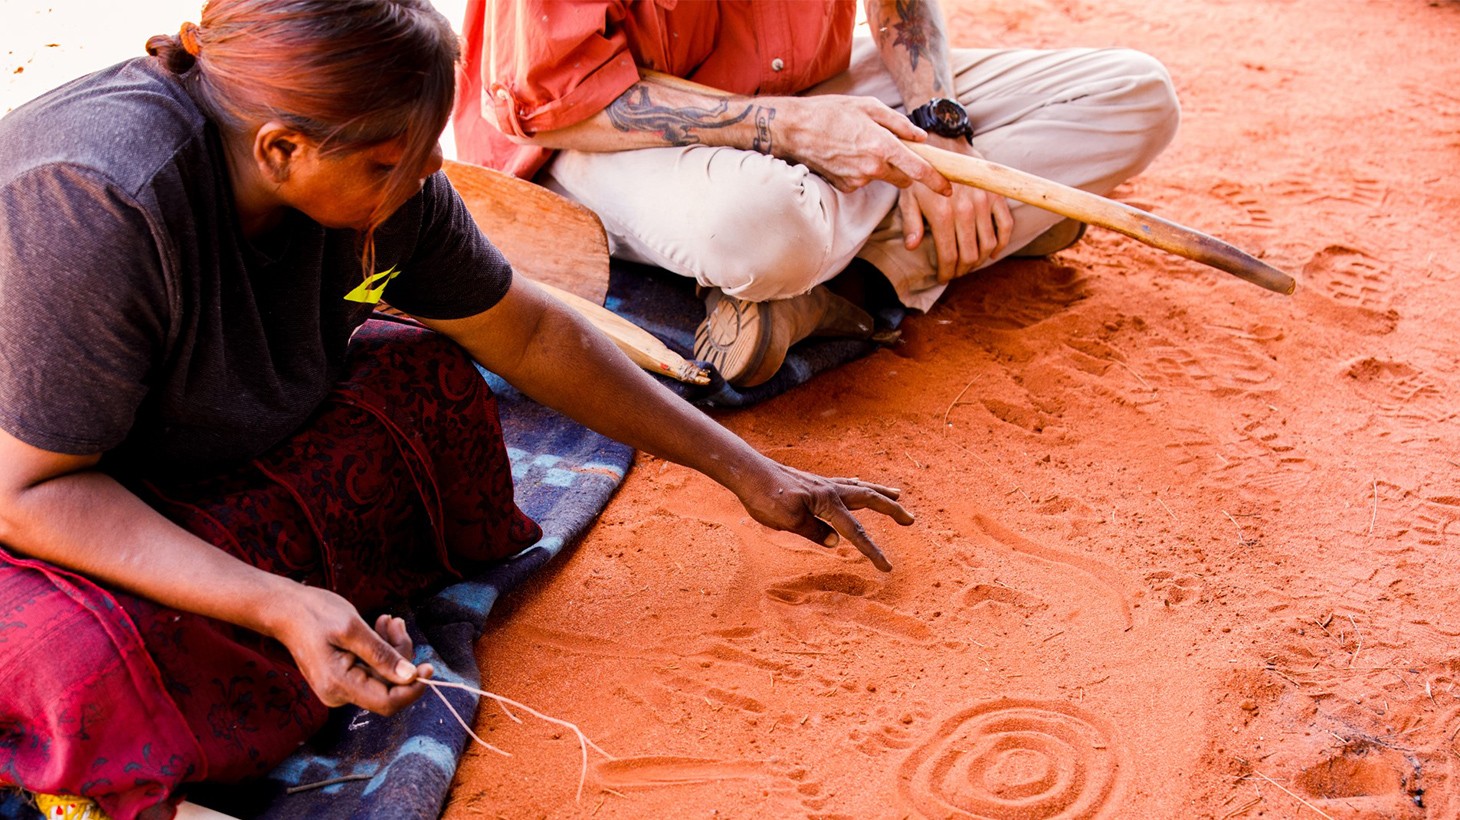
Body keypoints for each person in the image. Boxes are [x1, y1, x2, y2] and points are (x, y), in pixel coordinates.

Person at [0, 1, 914, 817]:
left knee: (427, 384)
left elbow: (529, 332)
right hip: (44, 480)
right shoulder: (95, 204)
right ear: (280, 150)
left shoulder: (377, 167)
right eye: (392, 161)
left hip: (185, 447)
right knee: (79, 662)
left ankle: (282, 614)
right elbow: (28, 491)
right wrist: (277, 603)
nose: (430, 172)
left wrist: (748, 471)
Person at [453, 0, 1182, 387]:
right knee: (763, 226)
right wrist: (795, 130)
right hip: (611, 134)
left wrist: (937, 129)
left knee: (1133, 96)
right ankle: (935, 243)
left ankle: (839, 282)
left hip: (812, 88)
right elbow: (551, 100)